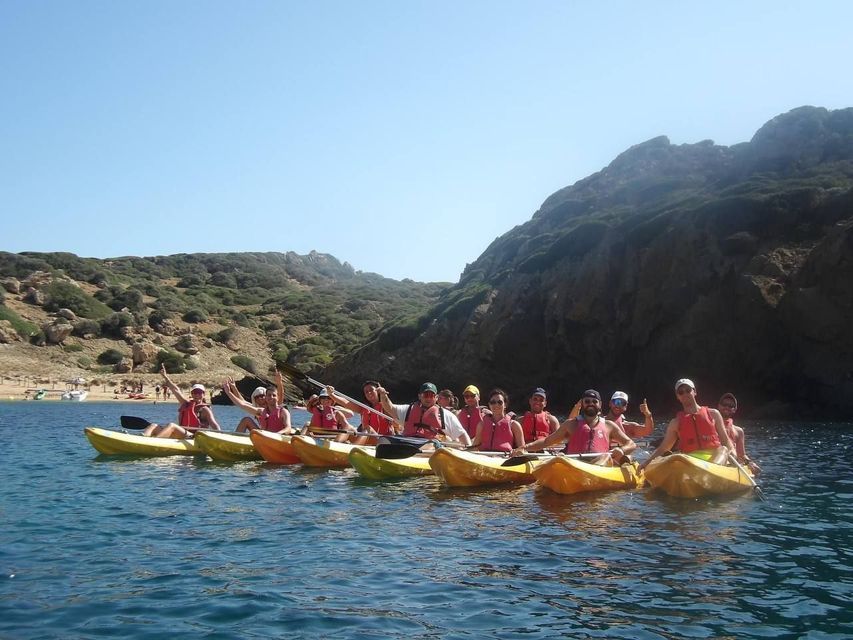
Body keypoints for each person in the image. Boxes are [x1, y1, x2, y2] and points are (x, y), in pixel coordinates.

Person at [511, 389, 636, 465]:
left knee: (605, 457)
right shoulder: (571, 424)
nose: (590, 404)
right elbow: (546, 441)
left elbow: (630, 443)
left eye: (594, 402)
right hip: (575, 464)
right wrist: (524, 448)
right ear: (582, 404)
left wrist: (622, 450)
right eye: (587, 401)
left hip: (601, 465)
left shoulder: (609, 426)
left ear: (600, 404)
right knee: (559, 458)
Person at [639, 379, 734, 471]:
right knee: (676, 456)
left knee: (723, 449)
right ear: (678, 396)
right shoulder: (675, 423)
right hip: (690, 462)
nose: (685, 394)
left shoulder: (714, 414)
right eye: (681, 392)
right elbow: (663, 448)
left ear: (694, 392)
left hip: (715, 460)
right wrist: (646, 463)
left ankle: (711, 471)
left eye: (688, 390)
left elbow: (726, 442)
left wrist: (734, 455)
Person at [378, 382, 472, 446]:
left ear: (436, 398)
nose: (428, 398)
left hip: (429, 443)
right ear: (420, 396)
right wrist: (383, 395)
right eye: (425, 395)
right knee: (382, 441)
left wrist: (469, 450)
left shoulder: (445, 415)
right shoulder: (409, 409)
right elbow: (390, 408)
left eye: (431, 395)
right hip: (408, 440)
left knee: (426, 446)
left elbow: (461, 434)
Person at [142, 365, 220, 438]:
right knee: (154, 425)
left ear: (203, 394)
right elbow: (175, 389)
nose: (197, 395)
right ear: (192, 394)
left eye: (199, 393)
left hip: (194, 437)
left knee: (172, 425)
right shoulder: (185, 404)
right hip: (182, 433)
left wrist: (220, 436)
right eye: (194, 392)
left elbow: (214, 425)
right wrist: (165, 376)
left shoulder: (205, 409)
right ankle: (142, 438)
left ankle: (155, 441)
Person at [325, 380, 396, 439]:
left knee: (368, 429)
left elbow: (390, 408)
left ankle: (353, 447)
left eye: (371, 390)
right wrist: (332, 395)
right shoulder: (363, 408)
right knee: (348, 427)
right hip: (367, 439)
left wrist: (383, 394)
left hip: (382, 440)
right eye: (366, 392)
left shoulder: (385, 406)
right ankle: (337, 444)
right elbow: (346, 402)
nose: (369, 393)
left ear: (377, 391)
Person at [718, 392, 761, 474]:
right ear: (719, 406)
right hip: (715, 459)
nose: (727, 407)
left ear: (734, 410)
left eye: (731, 406)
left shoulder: (739, 431)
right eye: (724, 404)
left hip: (730, 463)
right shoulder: (710, 423)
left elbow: (741, 455)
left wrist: (750, 463)